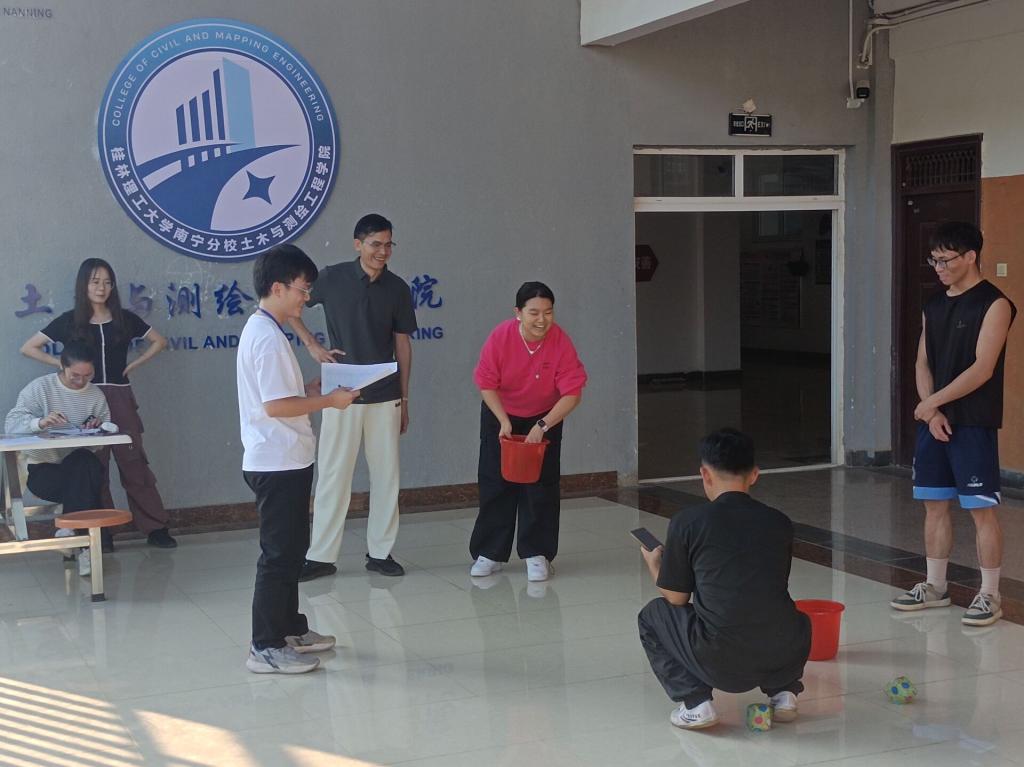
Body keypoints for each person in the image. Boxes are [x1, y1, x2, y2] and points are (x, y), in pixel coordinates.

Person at [237, 244, 360, 674]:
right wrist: (329, 401)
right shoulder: (267, 338)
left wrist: (309, 392)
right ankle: (265, 646)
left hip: (287, 458)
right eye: (302, 290)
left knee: (290, 551)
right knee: (278, 555)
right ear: (277, 288)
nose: (306, 299)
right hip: (276, 461)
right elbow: (274, 407)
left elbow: (280, 397)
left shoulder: (268, 330)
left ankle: (289, 628)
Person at [637, 428, 811, 730]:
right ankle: (784, 693)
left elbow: (676, 598)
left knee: (653, 615)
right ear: (754, 475)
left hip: (720, 661)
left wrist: (656, 565)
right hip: (782, 650)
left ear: (704, 474)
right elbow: (769, 585)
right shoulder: (779, 522)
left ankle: (695, 703)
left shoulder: (688, 522)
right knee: (791, 617)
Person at [891, 221, 1016, 626]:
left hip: (973, 422)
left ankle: (990, 594)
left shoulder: (995, 304)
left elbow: (982, 368)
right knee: (934, 506)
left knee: (981, 510)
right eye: (934, 260)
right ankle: (935, 586)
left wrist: (932, 403)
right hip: (935, 422)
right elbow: (922, 361)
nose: (939, 268)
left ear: (971, 256)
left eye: (945, 260)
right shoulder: (933, 304)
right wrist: (932, 412)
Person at [289, 213, 417, 581]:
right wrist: (312, 344)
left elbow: (403, 345)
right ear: (357, 244)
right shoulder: (332, 278)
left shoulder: (397, 288)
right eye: (375, 244)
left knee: (386, 476)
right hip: (339, 394)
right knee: (333, 474)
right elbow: (292, 307)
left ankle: (380, 553)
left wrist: (405, 399)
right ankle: (321, 556)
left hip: (385, 394)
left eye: (388, 244)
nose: (383, 251)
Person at [21, 258, 176, 551]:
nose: (101, 288)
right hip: (84, 398)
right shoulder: (70, 321)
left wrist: (135, 365)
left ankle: (156, 527)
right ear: (84, 285)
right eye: (95, 281)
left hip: (119, 395)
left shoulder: (124, 319)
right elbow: (29, 347)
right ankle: (101, 533)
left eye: (107, 282)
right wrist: (62, 365)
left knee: (134, 463)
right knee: (95, 466)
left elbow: (159, 341)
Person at [469, 281, 587, 582]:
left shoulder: (560, 341)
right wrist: (503, 420)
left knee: (540, 485)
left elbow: (572, 393)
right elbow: (486, 383)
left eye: (548, 312)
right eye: (534, 313)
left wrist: (543, 424)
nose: (541, 320)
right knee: (495, 481)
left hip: (544, 416)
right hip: (502, 414)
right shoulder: (501, 337)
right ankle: (490, 552)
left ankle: (537, 553)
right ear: (518, 312)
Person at [5, 340, 112, 576]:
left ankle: (70, 535)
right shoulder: (40, 388)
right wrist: (40, 422)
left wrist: (96, 429)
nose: (81, 381)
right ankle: (82, 547)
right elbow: (11, 424)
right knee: (86, 483)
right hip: (44, 472)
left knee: (84, 461)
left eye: (88, 375)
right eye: (75, 375)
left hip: (79, 469)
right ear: (62, 366)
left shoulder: (95, 395)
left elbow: (102, 440)